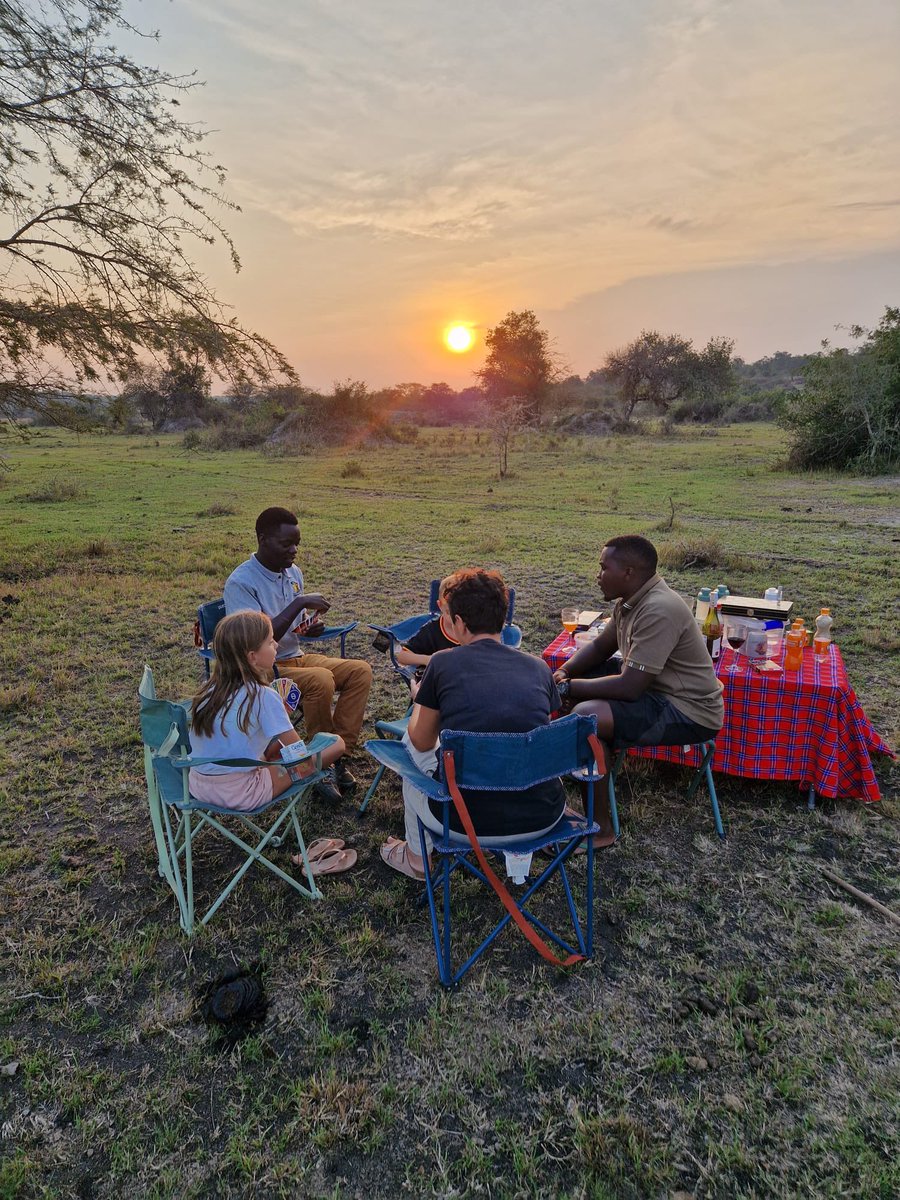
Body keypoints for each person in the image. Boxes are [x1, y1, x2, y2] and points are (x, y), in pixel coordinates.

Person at [380, 568, 566, 880]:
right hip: (542, 817)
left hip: (461, 821)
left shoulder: (442, 664)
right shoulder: (538, 669)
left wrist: (418, 699)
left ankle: (415, 859)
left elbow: (422, 741)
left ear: (460, 624)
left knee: (409, 752)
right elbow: (536, 735)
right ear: (503, 619)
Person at [553, 535, 724, 844]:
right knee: (587, 718)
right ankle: (587, 766)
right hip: (657, 692)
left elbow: (630, 687)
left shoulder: (658, 609)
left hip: (689, 711)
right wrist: (564, 672)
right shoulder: (632, 601)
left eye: (604, 568)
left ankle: (600, 830)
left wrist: (567, 689)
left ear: (628, 573)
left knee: (584, 715)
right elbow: (602, 646)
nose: (598, 575)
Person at [223, 506, 372, 803]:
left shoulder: (293, 573)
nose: (294, 551)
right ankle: (318, 762)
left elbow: (293, 625)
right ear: (262, 539)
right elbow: (255, 640)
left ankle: (336, 753)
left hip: (295, 655)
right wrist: (300, 601)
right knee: (320, 681)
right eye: (286, 544)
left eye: (297, 544)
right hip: (262, 667)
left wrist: (309, 626)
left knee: (360, 670)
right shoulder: (242, 582)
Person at [189, 610, 345, 814]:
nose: (276, 646)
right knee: (336, 744)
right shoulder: (263, 696)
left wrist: (271, 750)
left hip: (198, 786)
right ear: (252, 657)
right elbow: (299, 755)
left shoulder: (208, 691)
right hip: (242, 792)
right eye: (271, 642)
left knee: (272, 751)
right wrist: (283, 722)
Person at [394, 572, 460, 699]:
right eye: (448, 612)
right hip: (434, 692)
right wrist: (429, 659)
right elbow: (401, 655)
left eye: (460, 611)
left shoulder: (473, 630)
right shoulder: (431, 631)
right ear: (439, 605)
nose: (454, 618)